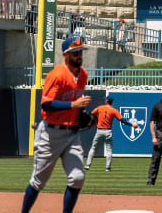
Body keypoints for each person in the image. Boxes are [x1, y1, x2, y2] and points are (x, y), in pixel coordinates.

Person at [20, 35, 91, 213]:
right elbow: (46, 104)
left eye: (80, 52)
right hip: (50, 135)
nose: (79, 56)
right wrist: (73, 105)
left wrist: (81, 113)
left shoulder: (83, 75)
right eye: (75, 53)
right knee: (38, 182)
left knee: (77, 178)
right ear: (66, 55)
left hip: (72, 134)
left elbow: (75, 102)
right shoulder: (57, 75)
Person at [85, 96, 141, 173]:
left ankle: (87, 165)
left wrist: (93, 123)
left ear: (106, 101)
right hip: (108, 131)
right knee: (109, 150)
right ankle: (107, 168)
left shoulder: (100, 108)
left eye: (105, 100)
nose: (104, 101)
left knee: (93, 148)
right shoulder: (114, 110)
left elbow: (91, 114)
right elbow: (122, 120)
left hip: (99, 131)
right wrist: (132, 124)